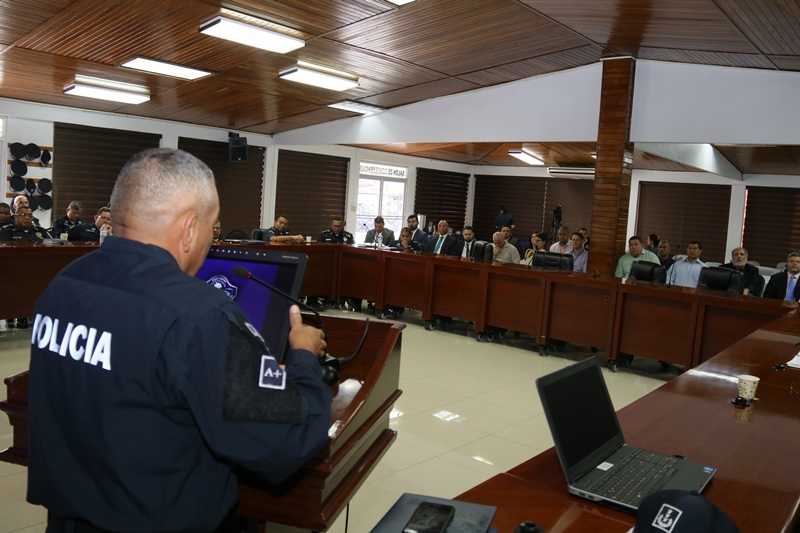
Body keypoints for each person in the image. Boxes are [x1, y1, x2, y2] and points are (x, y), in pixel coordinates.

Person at [26, 148, 332, 532]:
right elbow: (286, 440)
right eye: (211, 226)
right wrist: (304, 356)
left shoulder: (65, 283)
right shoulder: (200, 316)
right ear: (189, 228)